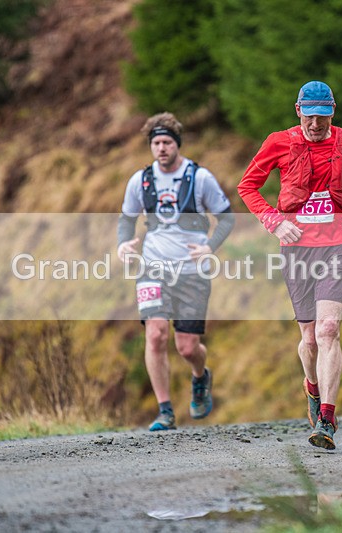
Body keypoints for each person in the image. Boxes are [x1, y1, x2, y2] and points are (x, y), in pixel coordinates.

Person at [237, 81, 342, 449]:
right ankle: (312, 388)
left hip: (340, 246)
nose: (316, 124)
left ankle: (327, 420)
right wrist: (274, 221)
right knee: (308, 339)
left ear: (332, 112)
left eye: (323, 117)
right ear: (297, 110)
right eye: (310, 116)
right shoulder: (278, 143)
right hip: (298, 248)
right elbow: (248, 186)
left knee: (329, 329)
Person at [117, 112, 235, 431]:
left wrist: (210, 246)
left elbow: (226, 218)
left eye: (167, 142)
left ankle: (200, 376)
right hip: (153, 267)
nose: (161, 148)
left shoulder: (200, 178)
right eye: (155, 143)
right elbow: (126, 220)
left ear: (177, 144)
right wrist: (123, 245)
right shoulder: (141, 180)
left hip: (191, 271)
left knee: (187, 347)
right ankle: (165, 410)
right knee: (155, 334)